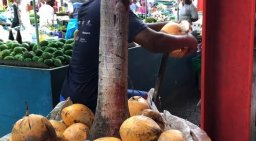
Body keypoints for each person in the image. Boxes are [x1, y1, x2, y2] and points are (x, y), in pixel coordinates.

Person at [60, 0, 197, 112]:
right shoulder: (113, 6)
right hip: (89, 102)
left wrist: (169, 24)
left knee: (146, 98)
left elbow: (135, 27)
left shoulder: (89, 6)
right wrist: (190, 40)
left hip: (69, 93)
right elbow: (154, 42)